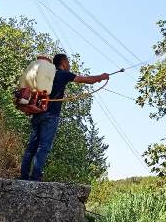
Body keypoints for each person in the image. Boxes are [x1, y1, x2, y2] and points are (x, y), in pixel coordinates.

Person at [20, 53, 109, 181]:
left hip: (37, 112)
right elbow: (87, 80)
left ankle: (24, 176)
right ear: (63, 62)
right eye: (68, 62)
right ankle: (36, 177)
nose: (69, 65)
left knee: (31, 147)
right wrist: (102, 76)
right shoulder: (63, 74)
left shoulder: (47, 75)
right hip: (51, 115)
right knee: (44, 147)